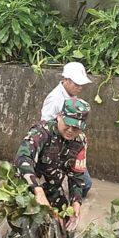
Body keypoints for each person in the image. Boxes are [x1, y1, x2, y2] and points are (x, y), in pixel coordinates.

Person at [13, 97, 90, 238]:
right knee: (26, 237)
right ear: (60, 116)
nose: (70, 130)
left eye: (75, 128)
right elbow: (21, 159)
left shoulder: (80, 141)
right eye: (67, 124)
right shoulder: (42, 133)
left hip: (53, 189)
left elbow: (77, 175)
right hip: (29, 190)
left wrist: (76, 201)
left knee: (66, 228)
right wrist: (38, 191)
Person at [40, 62, 93, 197]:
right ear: (66, 80)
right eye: (77, 84)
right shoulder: (55, 99)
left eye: (81, 85)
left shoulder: (71, 95)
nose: (80, 87)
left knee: (83, 185)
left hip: (70, 145)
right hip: (56, 147)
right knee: (82, 184)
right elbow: (45, 126)